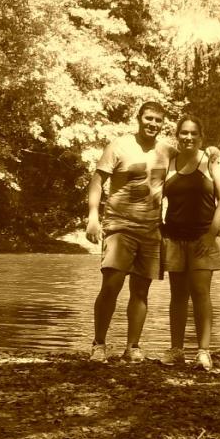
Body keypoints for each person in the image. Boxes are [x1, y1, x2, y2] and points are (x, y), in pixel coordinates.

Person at [85, 102, 171, 363]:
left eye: (157, 120)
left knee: (141, 291)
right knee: (111, 286)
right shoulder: (119, 146)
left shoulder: (167, 151)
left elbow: (194, 158)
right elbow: (97, 181)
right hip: (120, 226)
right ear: (139, 118)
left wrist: (212, 152)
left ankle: (132, 347)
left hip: (151, 229)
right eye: (148, 118)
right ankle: (99, 344)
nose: (152, 124)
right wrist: (92, 216)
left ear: (162, 123)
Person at [161, 115, 220, 371]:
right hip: (174, 237)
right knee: (177, 295)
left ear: (201, 137)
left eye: (193, 133)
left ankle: (203, 352)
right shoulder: (169, 161)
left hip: (203, 237)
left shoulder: (211, 160)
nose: (188, 137)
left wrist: (211, 234)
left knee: (201, 293)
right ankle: (176, 350)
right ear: (177, 135)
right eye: (184, 132)